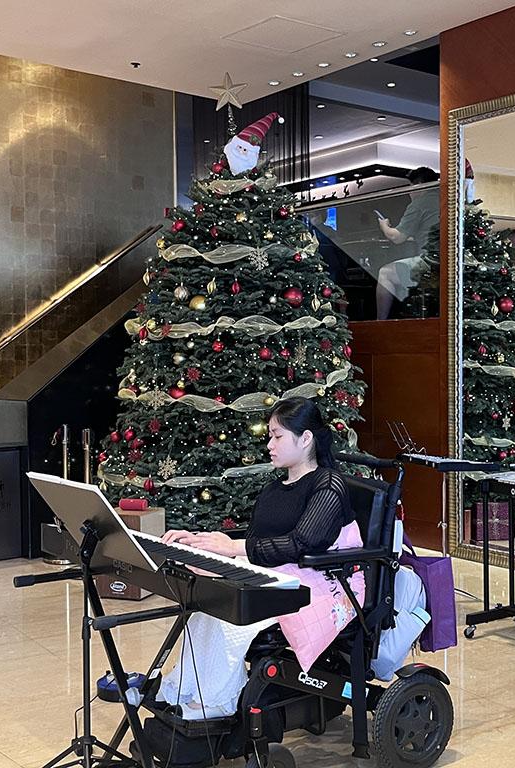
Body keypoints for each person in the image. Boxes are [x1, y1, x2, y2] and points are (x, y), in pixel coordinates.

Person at [155, 397, 354, 718]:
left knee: (230, 619)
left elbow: (301, 543)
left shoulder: (328, 485)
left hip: (315, 587)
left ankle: (217, 703)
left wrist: (233, 548)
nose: (269, 445)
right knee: (205, 612)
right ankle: (188, 690)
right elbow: (256, 539)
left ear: (305, 439)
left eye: (277, 436)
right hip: (278, 575)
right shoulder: (276, 488)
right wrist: (203, 543)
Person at [376, 167, 440, 319]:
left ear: (419, 185)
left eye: (411, 187)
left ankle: (380, 323)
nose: (409, 192)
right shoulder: (445, 199)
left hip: (431, 262)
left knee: (385, 273)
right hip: (449, 261)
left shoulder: (419, 203)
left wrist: (384, 226)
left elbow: (396, 238)